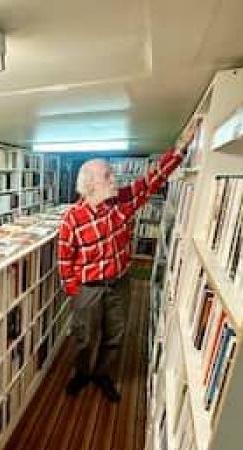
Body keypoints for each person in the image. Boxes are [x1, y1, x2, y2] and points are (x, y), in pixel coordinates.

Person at [58, 133, 194, 402]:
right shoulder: (72, 218)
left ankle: (101, 374)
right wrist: (75, 290)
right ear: (90, 185)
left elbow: (151, 181)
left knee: (115, 335)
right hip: (88, 288)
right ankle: (83, 373)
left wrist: (179, 150)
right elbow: (65, 259)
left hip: (119, 283)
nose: (114, 179)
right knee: (85, 336)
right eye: (108, 176)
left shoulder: (121, 202)